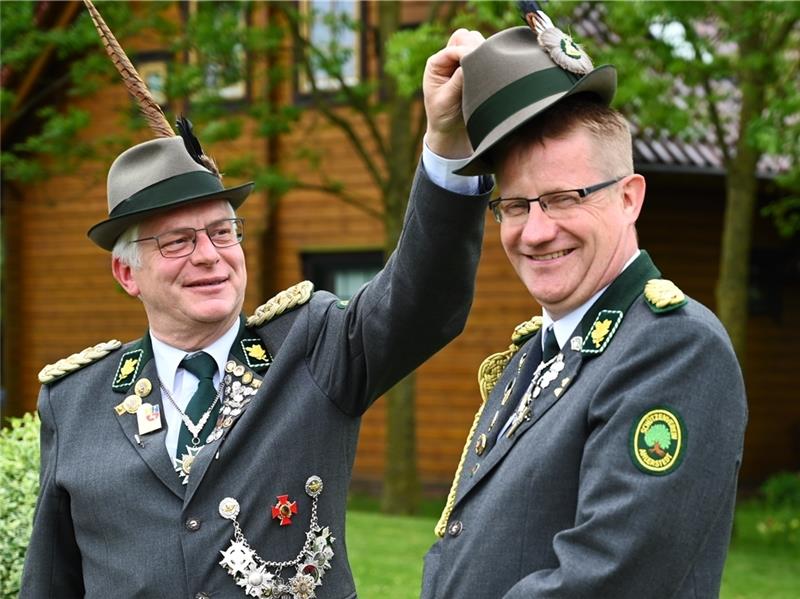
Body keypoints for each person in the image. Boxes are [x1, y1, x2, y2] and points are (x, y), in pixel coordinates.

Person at [20, 23, 489, 599]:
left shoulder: (313, 348)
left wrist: (447, 145)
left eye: (224, 232)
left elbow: (424, 300)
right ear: (126, 274)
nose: (210, 257)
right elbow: (51, 581)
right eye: (177, 243)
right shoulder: (73, 404)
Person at [421, 11, 747, 599]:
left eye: (563, 198)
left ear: (629, 198)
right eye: (515, 207)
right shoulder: (538, 352)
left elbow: (607, 579)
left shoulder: (672, 349)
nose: (536, 231)